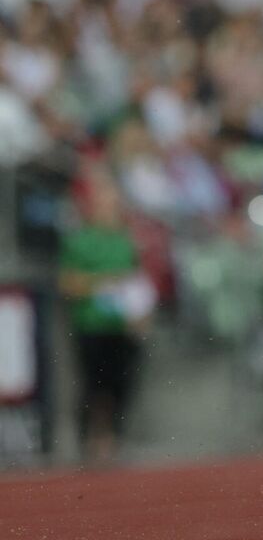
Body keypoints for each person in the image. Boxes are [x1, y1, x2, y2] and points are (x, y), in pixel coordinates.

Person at [58, 173, 156, 464]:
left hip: (121, 325)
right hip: (92, 324)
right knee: (93, 384)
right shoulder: (80, 241)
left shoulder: (127, 242)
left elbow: (138, 283)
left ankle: (113, 437)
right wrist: (104, 281)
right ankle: (89, 438)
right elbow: (69, 283)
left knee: (120, 384)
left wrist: (141, 313)